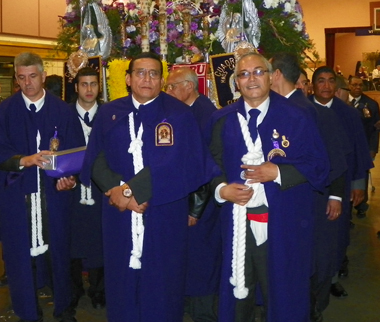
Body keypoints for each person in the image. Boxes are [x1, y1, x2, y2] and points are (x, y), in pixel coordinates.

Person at [80, 52, 216, 322]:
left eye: (154, 73)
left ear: (162, 81)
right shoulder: (109, 113)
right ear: (128, 79)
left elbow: (184, 163)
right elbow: (96, 159)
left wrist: (131, 192)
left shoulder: (179, 114)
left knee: (163, 281)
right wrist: (117, 190)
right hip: (118, 213)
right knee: (122, 280)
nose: (147, 78)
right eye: (140, 73)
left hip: (163, 212)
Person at [206, 52, 329, 322]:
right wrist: (221, 189)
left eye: (258, 72)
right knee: (239, 293)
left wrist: (279, 172)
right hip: (237, 223)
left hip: (283, 223)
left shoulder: (297, 117)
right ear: (236, 82)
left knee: (282, 293)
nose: (251, 79)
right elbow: (210, 164)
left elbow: (320, 165)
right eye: (244, 74)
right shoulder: (222, 119)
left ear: (272, 76)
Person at [0, 52, 85, 322]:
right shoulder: (3, 112)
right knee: (17, 256)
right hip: (18, 195)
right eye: (22, 78)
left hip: (53, 196)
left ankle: (64, 309)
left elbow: (76, 154)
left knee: (60, 253)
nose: (27, 84)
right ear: (16, 79)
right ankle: (27, 311)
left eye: (33, 77)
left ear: (43, 76)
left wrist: (70, 180)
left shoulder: (63, 110)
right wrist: (24, 160)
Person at [270, 53, 348, 321]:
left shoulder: (309, 111)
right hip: (289, 199)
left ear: (276, 74)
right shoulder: (280, 107)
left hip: (312, 198)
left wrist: (335, 195)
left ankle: (310, 311)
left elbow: (336, 158)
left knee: (309, 259)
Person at [310, 67, 373, 300]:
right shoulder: (304, 111)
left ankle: (333, 276)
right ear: (312, 85)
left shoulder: (348, 114)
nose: (326, 86)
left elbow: (359, 149)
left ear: (336, 86)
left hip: (342, 182)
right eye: (321, 81)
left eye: (330, 81)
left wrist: (358, 184)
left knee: (338, 232)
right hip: (313, 184)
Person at [165, 67, 220, 322]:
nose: (168, 91)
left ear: (188, 86)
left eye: (172, 86)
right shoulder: (187, 112)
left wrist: (194, 209)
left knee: (201, 259)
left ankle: (203, 314)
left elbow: (203, 166)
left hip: (201, 203)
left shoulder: (204, 115)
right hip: (191, 199)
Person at [68, 67, 105, 309]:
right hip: (71, 190)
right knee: (71, 240)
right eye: (84, 84)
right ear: (76, 87)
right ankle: (72, 290)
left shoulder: (110, 114)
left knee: (100, 239)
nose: (89, 89)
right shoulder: (64, 115)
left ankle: (100, 291)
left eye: (93, 84)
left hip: (101, 190)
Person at [348, 76, 380, 217]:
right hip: (346, 148)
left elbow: (375, 129)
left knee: (362, 174)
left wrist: (373, 149)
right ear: (349, 86)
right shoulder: (341, 102)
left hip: (363, 146)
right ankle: (347, 206)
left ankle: (361, 205)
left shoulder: (371, 104)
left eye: (360, 85)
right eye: (354, 85)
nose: (357, 88)